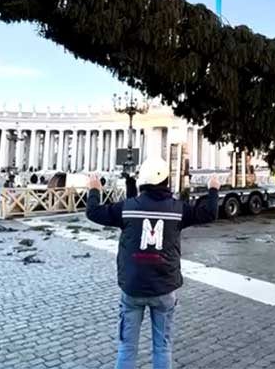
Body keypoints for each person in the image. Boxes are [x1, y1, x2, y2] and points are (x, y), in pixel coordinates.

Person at [86, 157, 219, 369]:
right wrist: (213, 189)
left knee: (127, 348)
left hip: (133, 287)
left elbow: (93, 212)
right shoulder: (178, 210)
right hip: (164, 288)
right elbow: (210, 213)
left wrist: (94, 190)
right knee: (162, 347)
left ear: (143, 181)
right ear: (166, 180)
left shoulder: (127, 209)